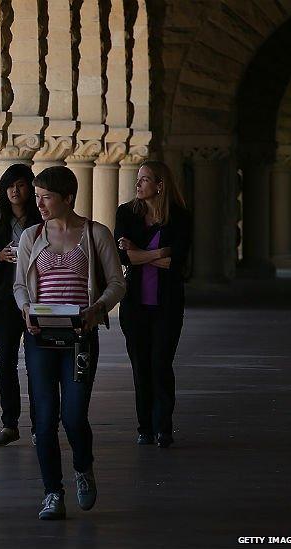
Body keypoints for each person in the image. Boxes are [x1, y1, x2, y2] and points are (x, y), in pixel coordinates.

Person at [13, 166, 125, 520]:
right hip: (40, 337)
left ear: (68, 198)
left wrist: (98, 308)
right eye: (37, 197)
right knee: (44, 419)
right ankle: (52, 492)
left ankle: (82, 467)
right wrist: (26, 309)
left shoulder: (95, 234)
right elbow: (19, 286)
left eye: (47, 197)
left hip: (79, 337)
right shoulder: (32, 236)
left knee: (74, 415)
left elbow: (117, 283)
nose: (40, 204)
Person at [114, 160, 191, 449]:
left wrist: (138, 252)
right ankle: (144, 427)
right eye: (138, 178)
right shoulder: (126, 213)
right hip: (135, 304)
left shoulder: (180, 218)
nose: (138, 184)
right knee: (140, 366)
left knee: (160, 363)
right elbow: (122, 257)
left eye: (145, 179)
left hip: (167, 304)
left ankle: (163, 427)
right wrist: (158, 253)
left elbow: (176, 262)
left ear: (160, 185)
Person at [0, 164, 41, 447]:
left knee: (36, 362)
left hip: (37, 298)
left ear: (30, 188)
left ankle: (40, 424)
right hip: (5, 298)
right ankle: (10, 423)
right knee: (6, 361)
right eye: (10, 186)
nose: (15, 191)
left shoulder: (41, 219)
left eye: (20, 185)